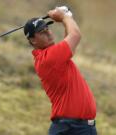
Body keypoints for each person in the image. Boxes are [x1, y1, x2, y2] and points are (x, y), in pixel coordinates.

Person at [23, 6, 97, 135]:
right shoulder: (49, 58)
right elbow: (75, 35)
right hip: (72, 128)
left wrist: (68, 17)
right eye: (42, 32)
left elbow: (70, 43)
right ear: (33, 40)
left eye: (47, 29)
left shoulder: (48, 56)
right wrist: (64, 17)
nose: (48, 33)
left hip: (72, 127)